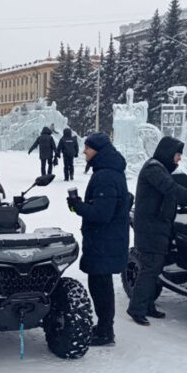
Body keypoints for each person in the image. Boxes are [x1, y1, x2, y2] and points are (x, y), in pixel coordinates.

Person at [127, 136, 187, 325]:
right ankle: (136, 309)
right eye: (177, 155)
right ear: (168, 153)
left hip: (159, 225)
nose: (178, 159)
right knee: (150, 268)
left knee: (155, 267)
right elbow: (173, 190)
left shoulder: (161, 169)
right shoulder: (153, 169)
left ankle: (148, 305)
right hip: (150, 228)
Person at [67, 132, 130, 347]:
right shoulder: (110, 172)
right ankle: (104, 328)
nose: (84, 151)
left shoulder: (105, 176)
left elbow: (102, 214)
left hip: (104, 241)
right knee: (102, 285)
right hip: (107, 240)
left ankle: (105, 331)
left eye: (88, 147)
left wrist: (77, 205)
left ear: (98, 151)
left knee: (101, 286)